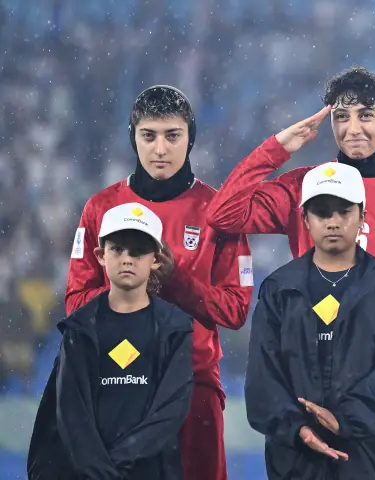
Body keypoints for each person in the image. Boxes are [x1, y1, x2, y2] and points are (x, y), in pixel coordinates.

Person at [207, 66, 375, 479]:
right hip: (312, 367)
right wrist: (278, 148)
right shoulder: (305, 188)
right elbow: (224, 214)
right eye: (341, 117)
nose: (352, 128)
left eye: (366, 115)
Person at [64, 85, 253, 480]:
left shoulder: (220, 211)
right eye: (148, 136)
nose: (160, 149)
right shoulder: (100, 208)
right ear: (133, 137)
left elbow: (236, 310)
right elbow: (75, 304)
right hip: (115, 382)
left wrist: (176, 281)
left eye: (172, 135)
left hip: (193, 384)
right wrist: (132, 287)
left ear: (190, 138)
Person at [245, 162, 375, 479]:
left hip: (372, 459)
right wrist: (297, 428)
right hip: (297, 462)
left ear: (363, 216)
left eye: (344, 211)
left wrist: (346, 420)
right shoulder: (279, 289)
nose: (334, 222)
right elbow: (263, 374)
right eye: (322, 213)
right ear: (305, 220)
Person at [28, 203, 193, 480]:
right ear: (100, 256)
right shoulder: (80, 328)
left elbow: (170, 411)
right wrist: (104, 472)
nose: (127, 259)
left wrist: (113, 466)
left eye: (138, 250)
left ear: (156, 259)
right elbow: (72, 414)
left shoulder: (174, 327)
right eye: (117, 249)